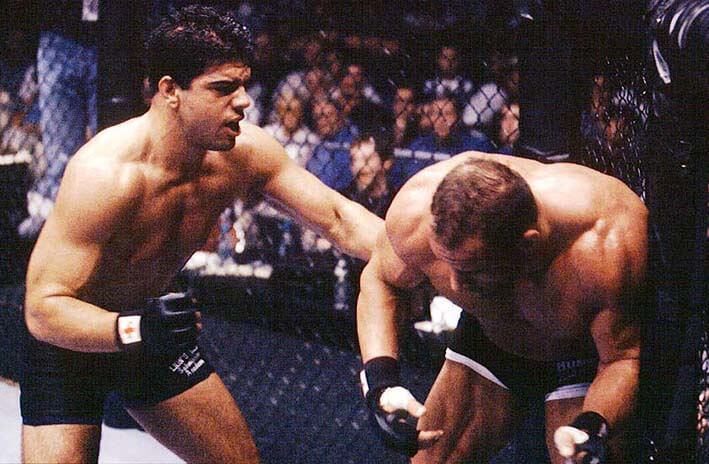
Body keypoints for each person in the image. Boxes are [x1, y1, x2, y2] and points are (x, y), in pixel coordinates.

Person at [21, 6, 382, 463]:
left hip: (151, 329)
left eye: (243, 84)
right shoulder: (106, 174)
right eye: (223, 88)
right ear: (170, 90)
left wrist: (423, 258)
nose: (244, 101)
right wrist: (132, 328)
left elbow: (338, 218)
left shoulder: (243, 154)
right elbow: (42, 310)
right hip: (73, 341)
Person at [356, 153, 648, 463]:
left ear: (527, 245)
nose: (455, 285)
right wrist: (381, 383)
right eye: (447, 262)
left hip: (582, 350)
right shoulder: (417, 213)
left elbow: (622, 358)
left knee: (580, 457)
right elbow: (381, 279)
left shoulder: (605, 242)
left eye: (471, 269)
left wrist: (593, 425)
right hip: (493, 333)